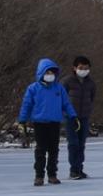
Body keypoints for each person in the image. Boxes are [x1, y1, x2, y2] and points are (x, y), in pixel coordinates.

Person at [17, 58, 78, 186]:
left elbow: (66, 104)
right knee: (40, 150)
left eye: (52, 73)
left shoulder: (59, 88)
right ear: (41, 73)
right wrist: (22, 120)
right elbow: (27, 105)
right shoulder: (33, 88)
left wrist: (73, 116)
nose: (50, 75)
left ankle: (52, 174)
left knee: (53, 150)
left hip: (54, 123)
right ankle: (39, 175)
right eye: (47, 72)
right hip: (39, 123)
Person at [60, 55, 96, 179]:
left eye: (86, 68)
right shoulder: (67, 81)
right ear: (74, 68)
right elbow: (61, 99)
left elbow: (92, 98)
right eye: (81, 68)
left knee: (81, 143)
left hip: (84, 116)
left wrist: (88, 110)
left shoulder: (91, 83)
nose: (83, 70)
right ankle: (74, 170)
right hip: (70, 117)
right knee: (73, 143)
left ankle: (79, 168)